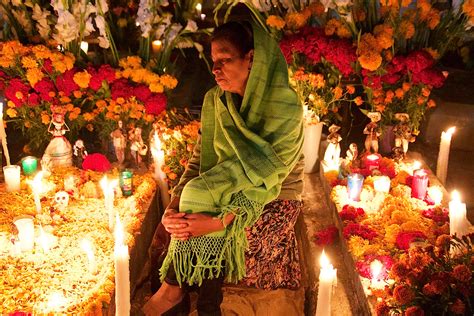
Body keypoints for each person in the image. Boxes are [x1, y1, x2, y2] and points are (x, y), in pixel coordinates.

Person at [143, 20, 304, 315]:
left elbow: (269, 179)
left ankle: (177, 295)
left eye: (225, 60)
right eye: (213, 62)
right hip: (220, 190)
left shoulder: (284, 106)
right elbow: (199, 161)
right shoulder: (216, 102)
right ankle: (197, 303)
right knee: (180, 221)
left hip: (273, 198)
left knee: (204, 223)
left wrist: (220, 221)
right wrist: (174, 207)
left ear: (251, 58)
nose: (216, 69)